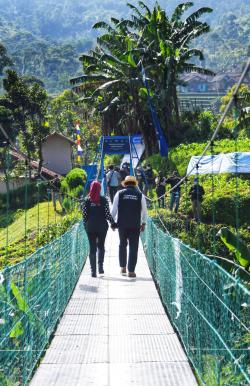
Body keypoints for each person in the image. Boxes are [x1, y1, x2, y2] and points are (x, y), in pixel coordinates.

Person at [111, 175, 147, 278]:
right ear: (134, 184)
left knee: (122, 244)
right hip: (135, 225)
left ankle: (123, 267)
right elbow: (144, 211)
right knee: (133, 247)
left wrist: (112, 223)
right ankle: (131, 271)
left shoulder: (119, 193)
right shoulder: (140, 195)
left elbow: (113, 210)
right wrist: (143, 223)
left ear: (125, 184)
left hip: (122, 224)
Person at [82, 180, 115, 277]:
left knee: (92, 248)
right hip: (102, 227)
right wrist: (113, 223)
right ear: (99, 189)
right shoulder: (104, 200)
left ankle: (93, 271)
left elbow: (84, 216)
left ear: (91, 188)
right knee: (101, 246)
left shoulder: (87, 201)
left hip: (90, 227)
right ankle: (100, 267)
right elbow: (107, 214)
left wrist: (85, 226)